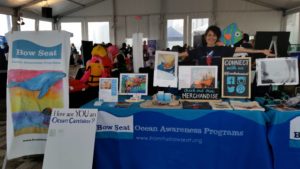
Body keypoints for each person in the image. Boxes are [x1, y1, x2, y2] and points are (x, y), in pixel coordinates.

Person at [179, 25, 273, 67]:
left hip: (219, 83)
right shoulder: (199, 50)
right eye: (209, 35)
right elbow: (185, 53)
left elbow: (241, 49)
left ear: (217, 37)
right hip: (202, 83)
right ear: (205, 37)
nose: (211, 37)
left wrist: (262, 51)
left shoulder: (222, 49)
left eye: (214, 35)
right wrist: (170, 56)